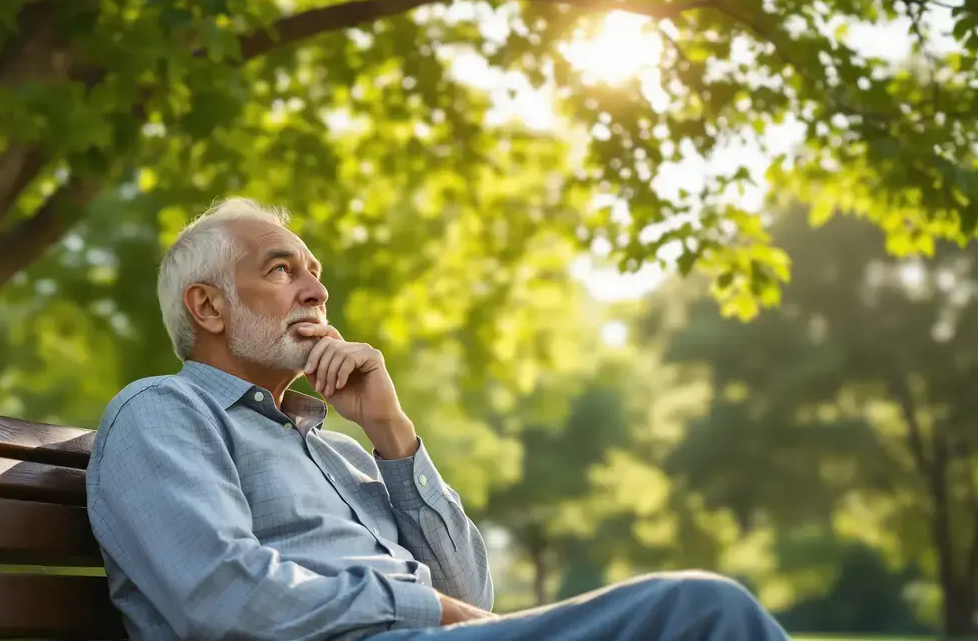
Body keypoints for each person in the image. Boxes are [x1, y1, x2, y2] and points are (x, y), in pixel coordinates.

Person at [85, 197, 791, 641]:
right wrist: (432, 609)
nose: (318, 289)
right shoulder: (163, 412)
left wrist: (391, 431)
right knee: (703, 613)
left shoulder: (345, 454)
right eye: (280, 270)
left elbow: (473, 592)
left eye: (314, 270)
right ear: (208, 308)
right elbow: (222, 599)